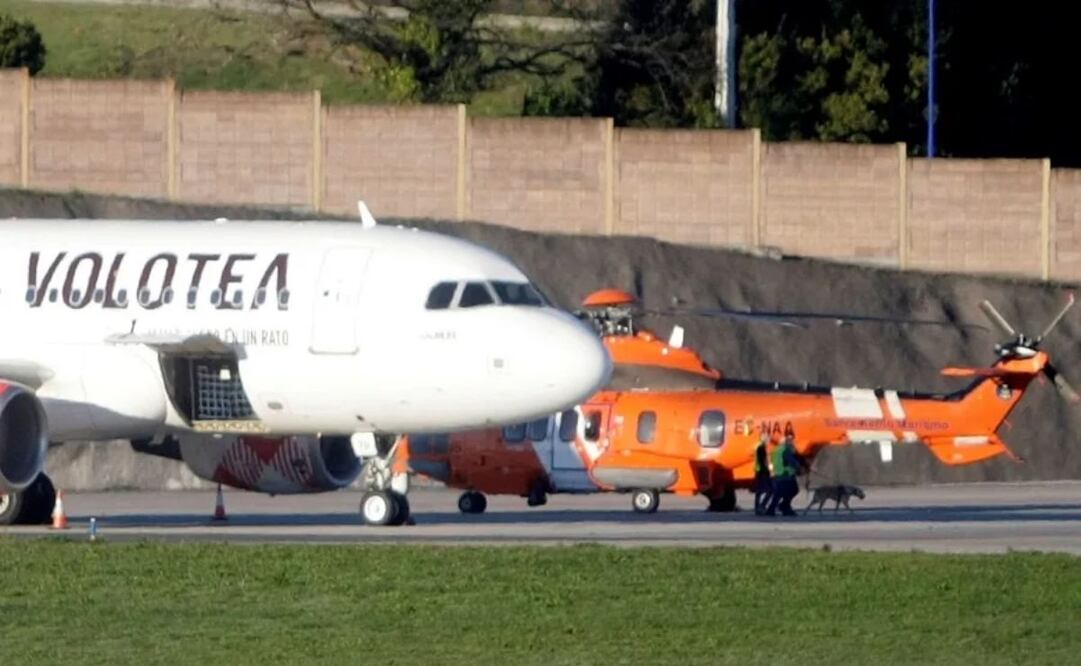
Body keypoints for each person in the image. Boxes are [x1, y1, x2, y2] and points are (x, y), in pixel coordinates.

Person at [765, 435, 804, 517]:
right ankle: (782, 507)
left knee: (779, 493)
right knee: (793, 490)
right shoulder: (785, 450)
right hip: (786, 474)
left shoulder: (776, 450)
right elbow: (791, 461)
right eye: (790, 441)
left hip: (777, 473)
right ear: (785, 443)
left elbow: (771, 461)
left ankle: (778, 508)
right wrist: (799, 468)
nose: (792, 443)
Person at [753, 434, 772, 515]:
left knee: (759, 491)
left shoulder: (759, 447)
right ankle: (761, 506)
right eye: (768, 439)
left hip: (758, 471)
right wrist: (767, 470)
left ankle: (757, 508)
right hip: (762, 471)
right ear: (764, 439)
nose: (769, 441)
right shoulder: (761, 448)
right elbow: (762, 461)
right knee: (770, 490)